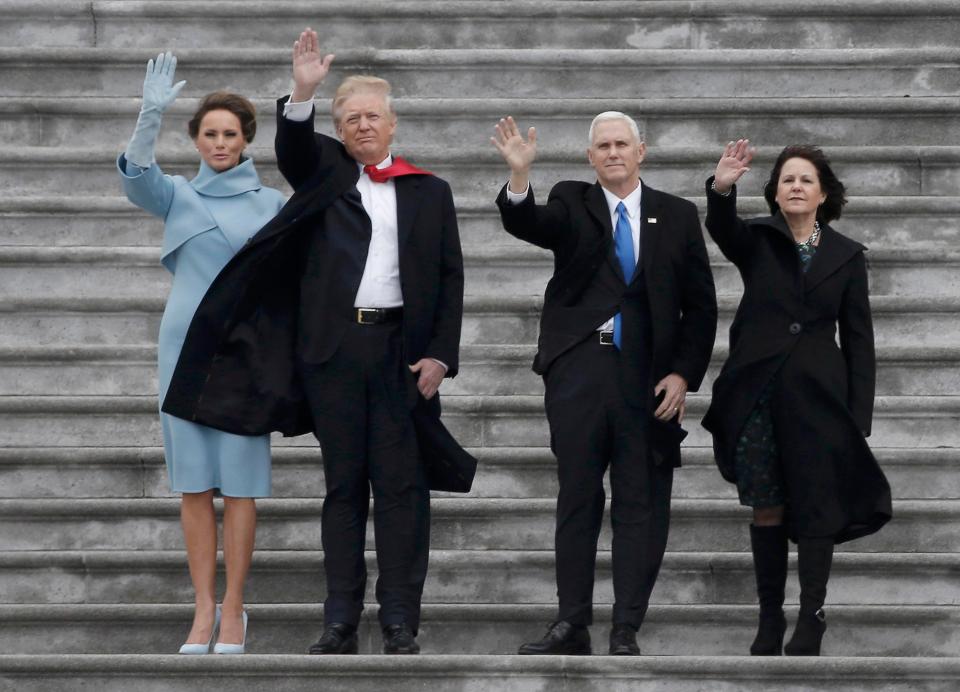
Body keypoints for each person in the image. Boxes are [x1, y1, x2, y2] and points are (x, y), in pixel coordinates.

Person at [161, 29, 469, 656]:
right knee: (344, 488)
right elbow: (296, 148)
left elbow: (449, 275)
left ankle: (401, 620)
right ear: (340, 128)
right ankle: (340, 620)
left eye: (372, 117)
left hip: (401, 356)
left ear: (392, 125)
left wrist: (440, 353)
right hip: (334, 354)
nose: (362, 126)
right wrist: (302, 93)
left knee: (403, 489)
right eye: (351, 117)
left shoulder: (429, 191)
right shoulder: (325, 174)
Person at [493, 113, 717, 655]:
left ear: (642, 151)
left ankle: (625, 626)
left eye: (622, 144)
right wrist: (520, 179)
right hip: (580, 372)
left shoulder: (678, 214)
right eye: (602, 146)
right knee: (577, 496)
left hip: (647, 378)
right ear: (591, 158)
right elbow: (530, 224)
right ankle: (572, 622)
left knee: (639, 502)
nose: (612, 152)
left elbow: (701, 307)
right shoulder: (573, 201)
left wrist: (683, 374)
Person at [117, 53, 286, 655]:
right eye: (209, 133)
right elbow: (136, 177)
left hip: (246, 355)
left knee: (239, 487)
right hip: (183, 349)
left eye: (230, 134)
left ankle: (236, 610)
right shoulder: (178, 196)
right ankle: (203, 609)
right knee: (193, 486)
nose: (219, 142)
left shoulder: (271, 204)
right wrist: (148, 114)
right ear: (195, 139)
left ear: (246, 142)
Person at [703, 140, 892, 656]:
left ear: (823, 192)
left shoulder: (847, 256)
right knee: (768, 506)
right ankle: (769, 619)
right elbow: (722, 228)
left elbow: (859, 339)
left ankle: (812, 618)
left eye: (806, 179)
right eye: (787, 179)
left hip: (819, 399)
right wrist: (721, 187)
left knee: (816, 507)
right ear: (775, 191)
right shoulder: (758, 239)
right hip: (759, 393)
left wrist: (859, 416)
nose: (796, 186)